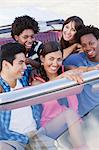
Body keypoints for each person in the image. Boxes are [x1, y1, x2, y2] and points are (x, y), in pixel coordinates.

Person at [0, 42, 86, 150]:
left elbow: (44, 66)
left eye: (25, 62)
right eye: (20, 63)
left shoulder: (24, 76)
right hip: (13, 141)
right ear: (6, 65)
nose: (25, 67)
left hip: (37, 134)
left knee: (69, 113)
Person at [32, 41, 87, 149]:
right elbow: (43, 89)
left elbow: (83, 71)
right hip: (50, 128)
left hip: (74, 124)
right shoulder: (37, 82)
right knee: (69, 114)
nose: (55, 63)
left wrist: (94, 69)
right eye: (51, 59)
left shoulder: (68, 71)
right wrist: (62, 77)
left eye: (59, 59)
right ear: (42, 59)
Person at [63, 25, 99, 117]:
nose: (88, 48)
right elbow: (57, 64)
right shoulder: (76, 59)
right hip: (86, 117)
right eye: (84, 45)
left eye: (91, 43)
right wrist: (70, 68)